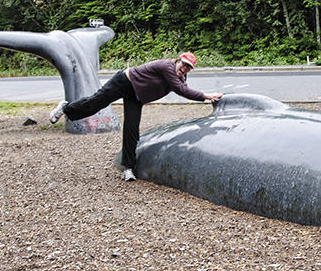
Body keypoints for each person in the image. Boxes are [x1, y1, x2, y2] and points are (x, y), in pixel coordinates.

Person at [49, 52, 223, 181]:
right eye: (183, 64)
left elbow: (183, 88)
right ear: (178, 60)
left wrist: (207, 97)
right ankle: (66, 107)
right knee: (96, 104)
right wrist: (206, 96)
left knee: (132, 129)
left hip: (136, 96)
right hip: (124, 82)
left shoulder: (180, 78)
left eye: (188, 68)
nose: (184, 68)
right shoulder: (167, 67)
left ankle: (128, 168)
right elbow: (182, 91)